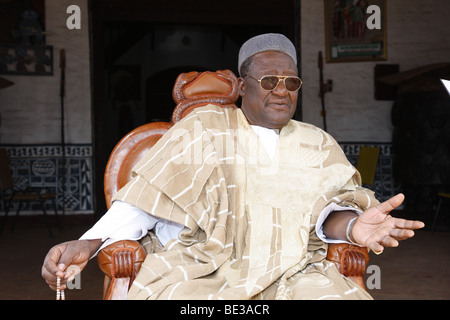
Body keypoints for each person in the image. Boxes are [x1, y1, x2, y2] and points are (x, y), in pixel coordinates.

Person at [42, 33, 424, 300]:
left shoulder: (317, 142)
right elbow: (146, 200)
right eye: (269, 80)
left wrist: (355, 226)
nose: (281, 90)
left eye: (291, 82)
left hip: (294, 273)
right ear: (242, 87)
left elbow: (328, 216)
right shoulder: (204, 127)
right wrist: (88, 243)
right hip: (203, 269)